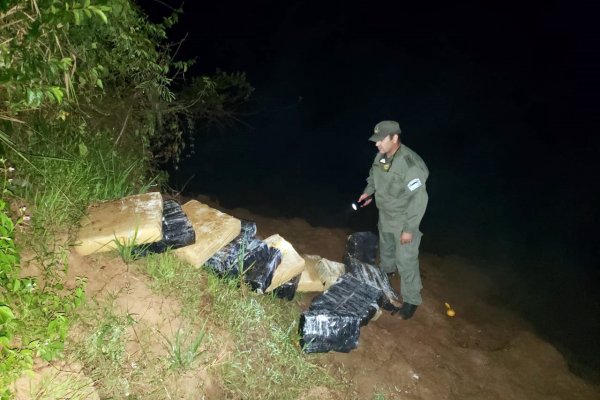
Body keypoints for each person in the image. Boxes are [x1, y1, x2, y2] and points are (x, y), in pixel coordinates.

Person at [357, 120, 429, 320]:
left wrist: (409, 229)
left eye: (381, 140)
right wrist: (368, 192)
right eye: (375, 140)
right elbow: (374, 177)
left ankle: (412, 301)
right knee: (387, 251)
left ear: (395, 138)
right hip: (385, 215)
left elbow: (419, 199)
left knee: (405, 260)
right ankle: (385, 278)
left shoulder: (410, 164)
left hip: (404, 219)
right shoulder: (381, 156)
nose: (376, 144)